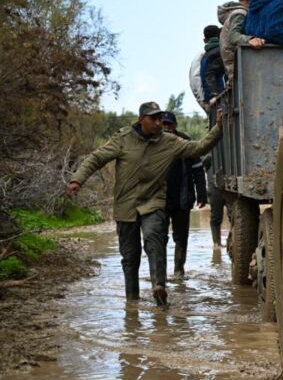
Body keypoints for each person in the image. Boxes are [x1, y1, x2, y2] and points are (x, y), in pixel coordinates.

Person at [67, 102, 224, 307]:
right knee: (130, 256)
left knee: (154, 238)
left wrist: (218, 128)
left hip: (153, 202)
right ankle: (132, 301)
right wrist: (77, 179)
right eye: (154, 119)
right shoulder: (123, 139)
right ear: (142, 119)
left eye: (161, 119)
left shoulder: (169, 142)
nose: (159, 123)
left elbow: (197, 148)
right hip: (126, 204)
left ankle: (159, 285)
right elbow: (97, 158)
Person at [160, 112, 207, 281]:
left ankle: (179, 271)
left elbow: (198, 170)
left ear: (175, 126)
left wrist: (202, 194)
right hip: (160, 202)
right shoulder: (154, 143)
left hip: (183, 200)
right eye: (164, 124)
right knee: (159, 238)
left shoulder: (186, 142)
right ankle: (160, 274)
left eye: (169, 125)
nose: (166, 128)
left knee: (181, 238)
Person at [218, 0, 266, 85]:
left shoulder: (238, 13)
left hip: (237, 69)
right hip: (237, 71)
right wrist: (251, 40)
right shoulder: (239, 13)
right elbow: (234, 36)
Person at [200, 25, 225, 114]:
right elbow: (210, 76)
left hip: (211, 103)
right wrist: (215, 94)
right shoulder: (222, 52)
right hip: (221, 101)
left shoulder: (203, 58)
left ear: (205, 40)